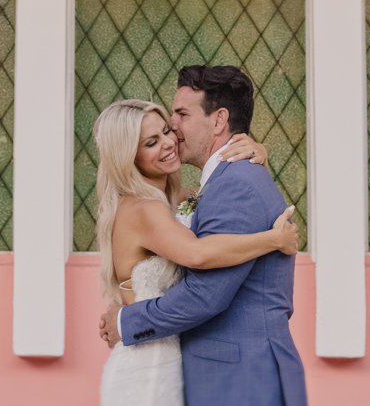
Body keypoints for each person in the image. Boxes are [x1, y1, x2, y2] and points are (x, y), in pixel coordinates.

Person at [99, 66, 308, 406]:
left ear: (218, 120)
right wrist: (273, 239)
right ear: (130, 155)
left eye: (177, 118)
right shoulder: (152, 205)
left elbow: (205, 295)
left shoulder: (226, 185)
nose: (172, 135)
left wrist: (127, 322)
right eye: (153, 141)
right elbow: (198, 255)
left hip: (238, 376)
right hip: (165, 371)